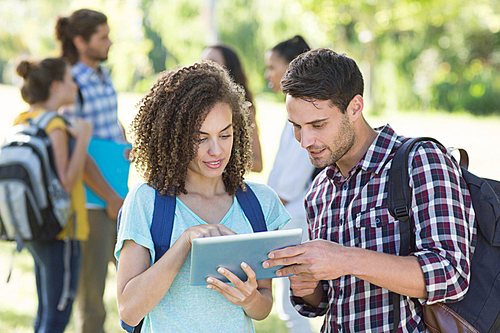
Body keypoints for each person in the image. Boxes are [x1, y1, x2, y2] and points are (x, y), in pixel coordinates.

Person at [263, 48, 476, 332]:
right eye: (297, 126)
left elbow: (450, 274)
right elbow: (324, 302)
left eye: (318, 125)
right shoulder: (319, 191)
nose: (305, 140)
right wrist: (307, 284)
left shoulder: (419, 160)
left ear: (355, 107)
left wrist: (345, 259)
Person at [115, 61, 290, 332]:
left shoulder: (261, 202)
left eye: (225, 134)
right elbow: (129, 310)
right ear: (175, 137)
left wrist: (250, 298)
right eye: (201, 138)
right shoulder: (146, 201)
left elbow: (263, 307)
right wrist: (185, 243)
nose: (216, 150)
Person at [55, 9, 124, 333]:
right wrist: (110, 197)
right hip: (94, 203)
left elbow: (107, 126)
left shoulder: (101, 74)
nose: (110, 42)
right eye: (103, 37)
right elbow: (74, 148)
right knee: (93, 301)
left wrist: (124, 140)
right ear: (80, 41)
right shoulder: (71, 82)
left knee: (136, 278)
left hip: (117, 195)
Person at [14, 57, 92, 332]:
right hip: (62, 230)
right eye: (71, 79)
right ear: (57, 86)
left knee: (45, 310)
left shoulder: (23, 119)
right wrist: (83, 137)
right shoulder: (56, 124)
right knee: (57, 314)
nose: (75, 85)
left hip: (34, 226)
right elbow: (68, 182)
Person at [264, 35, 315, 333]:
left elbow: (289, 184)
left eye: (273, 66)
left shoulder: (304, 115)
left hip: (294, 218)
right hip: (289, 215)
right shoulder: (292, 113)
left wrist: (265, 213)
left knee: (292, 303)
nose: (269, 74)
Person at [201, 44, 263, 172]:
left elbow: (257, 163)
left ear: (228, 68)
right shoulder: (192, 107)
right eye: (203, 62)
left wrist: (222, 158)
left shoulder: (244, 110)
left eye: (212, 62)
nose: (205, 67)